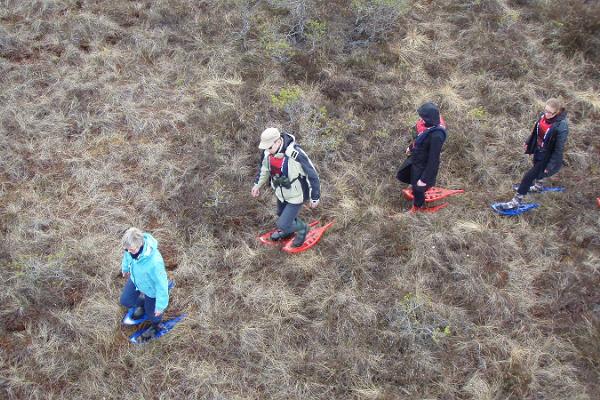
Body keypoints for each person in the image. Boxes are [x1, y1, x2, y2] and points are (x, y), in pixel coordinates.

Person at [251, 127, 320, 247]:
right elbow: (264, 170)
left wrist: (315, 197)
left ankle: (303, 229)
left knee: (282, 223)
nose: (267, 150)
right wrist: (257, 185)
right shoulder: (267, 153)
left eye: (269, 147)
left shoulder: (295, 154)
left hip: (296, 195)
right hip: (280, 192)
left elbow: (312, 174)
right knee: (280, 213)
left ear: (278, 142)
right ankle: (288, 231)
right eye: (266, 147)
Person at [496, 98, 569, 210]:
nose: (546, 114)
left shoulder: (561, 126)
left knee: (528, 177)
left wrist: (550, 165)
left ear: (557, 112)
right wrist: (528, 142)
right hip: (538, 150)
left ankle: (515, 202)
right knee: (535, 166)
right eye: (545, 110)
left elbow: (558, 149)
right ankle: (538, 186)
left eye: (550, 112)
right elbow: (536, 131)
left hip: (547, 156)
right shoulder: (542, 117)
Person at [120, 227, 169, 340]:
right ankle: (142, 304)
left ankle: (156, 326)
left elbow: (162, 285)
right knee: (125, 301)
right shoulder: (130, 249)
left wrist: (160, 306)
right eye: (127, 249)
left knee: (153, 314)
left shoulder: (155, 262)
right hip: (136, 280)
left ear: (141, 244)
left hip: (152, 291)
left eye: (131, 250)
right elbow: (127, 257)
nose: (129, 252)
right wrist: (125, 268)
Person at [396, 102, 447, 210]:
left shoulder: (437, 136)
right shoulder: (428, 126)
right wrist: (411, 147)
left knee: (419, 186)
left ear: (430, 118)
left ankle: (417, 207)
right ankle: (416, 190)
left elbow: (433, 160)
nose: (421, 120)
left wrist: (424, 179)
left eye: (423, 118)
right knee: (409, 175)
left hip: (424, 165)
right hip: (417, 159)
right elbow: (421, 138)